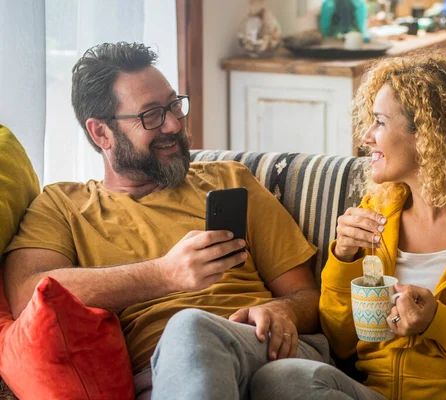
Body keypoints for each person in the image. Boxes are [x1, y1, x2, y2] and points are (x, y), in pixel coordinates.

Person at [2, 42, 329, 399]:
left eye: (174, 105)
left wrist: (282, 310)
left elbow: (308, 296)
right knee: (244, 362)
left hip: (268, 349)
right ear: (100, 133)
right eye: (151, 115)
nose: (173, 124)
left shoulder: (230, 180)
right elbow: (27, 295)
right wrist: (163, 274)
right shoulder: (62, 205)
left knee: (199, 331)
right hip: (165, 380)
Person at [249, 52, 446, 399]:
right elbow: (341, 343)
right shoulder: (375, 216)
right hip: (379, 394)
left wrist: (439, 323)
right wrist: (343, 259)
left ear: (429, 135)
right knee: (281, 377)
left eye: (380, 122)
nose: (366, 137)